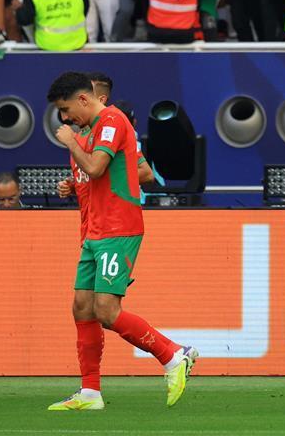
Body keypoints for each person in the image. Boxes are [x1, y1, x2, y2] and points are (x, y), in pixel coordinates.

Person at [45, 71, 197, 411]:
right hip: (93, 230)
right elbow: (94, 175)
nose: (64, 118)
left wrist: (71, 143)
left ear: (83, 99)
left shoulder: (111, 121)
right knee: (82, 306)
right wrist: (73, 184)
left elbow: (100, 168)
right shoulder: (87, 131)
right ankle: (90, 392)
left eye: (66, 109)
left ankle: (173, 354)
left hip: (118, 227)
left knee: (106, 310)